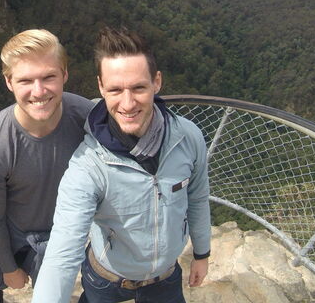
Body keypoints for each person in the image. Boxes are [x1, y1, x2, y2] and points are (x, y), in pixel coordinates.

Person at [31, 27, 211, 303]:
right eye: (115, 90)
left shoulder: (187, 137)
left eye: (138, 87)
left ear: (157, 82)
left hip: (165, 277)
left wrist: (202, 253)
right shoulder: (88, 166)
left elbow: (197, 197)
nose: (127, 104)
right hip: (106, 278)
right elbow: (62, 254)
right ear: (101, 87)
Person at [0, 29, 95, 302]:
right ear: (9, 82)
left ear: (64, 75)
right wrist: (8, 267)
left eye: (49, 76)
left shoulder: (86, 119)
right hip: (13, 231)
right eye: (25, 80)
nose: (39, 91)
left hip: (61, 234)